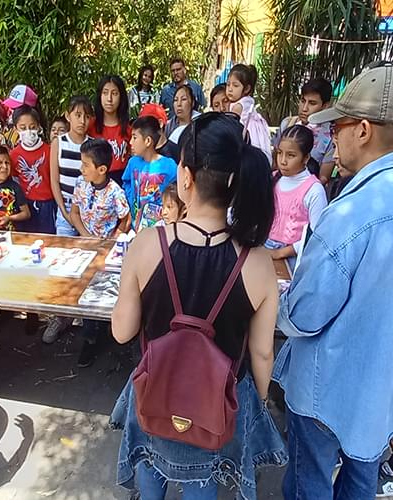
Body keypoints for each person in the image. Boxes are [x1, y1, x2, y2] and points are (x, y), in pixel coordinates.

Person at [111, 112, 285, 499]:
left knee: (151, 471)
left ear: (185, 177)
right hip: (217, 405)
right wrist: (255, 401)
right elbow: (261, 353)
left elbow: (122, 332)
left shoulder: (146, 245)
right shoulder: (257, 263)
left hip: (155, 391)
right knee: (202, 483)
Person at [273, 62, 393, 500]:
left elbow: (305, 314)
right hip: (381, 395)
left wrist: (279, 305)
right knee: (362, 481)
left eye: (336, 127)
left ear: (362, 130)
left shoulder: (350, 213)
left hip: (327, 390)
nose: (332, 139)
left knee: (310, 486)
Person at [70, 138, 130, 367]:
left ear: (102, 169)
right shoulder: (80, 184)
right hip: (85, 245)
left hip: (106, 251)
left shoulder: (115, 192)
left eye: (86, 164)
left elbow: (125, 218)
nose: (81, 168)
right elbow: (74, 212)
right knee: (84, 291)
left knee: (102, 292)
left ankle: (108, 331)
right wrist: (86, 235)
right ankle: (90, 337)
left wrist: (112, 240)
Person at [44, 96, 93, 344]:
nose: (81, 120)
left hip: (88, 215)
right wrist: (63, 210)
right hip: (64, 214)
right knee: (63, 264)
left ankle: (84, 315)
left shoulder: (93, 145)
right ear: (67, 116)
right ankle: (59, 316)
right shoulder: (59, 143)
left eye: (85, 116)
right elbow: (54, 180)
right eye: (77, 115)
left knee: (88, 265)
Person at [265, 125, 327, 270]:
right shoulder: (273, 179)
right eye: (280, 153)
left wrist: (280, 253)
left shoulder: (314, 190)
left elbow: (315, 235)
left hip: (295, 257)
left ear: (306, 158)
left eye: (291, 155)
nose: (283, 161)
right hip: (266, 248)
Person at [272, 78, 335, 181]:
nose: (304, 108)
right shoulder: (287, 124)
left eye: (312, 103)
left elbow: (323, 178)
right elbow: (274, 162)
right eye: (302, 101)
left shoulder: (331, 136)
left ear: (325, 106)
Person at [123, 116, 178, 230]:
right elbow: (126, 182)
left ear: (147, 141)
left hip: (161, 227)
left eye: (134, 137)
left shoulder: (169, 165)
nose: (130, 142)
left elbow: (178, 191)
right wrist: (131, 196)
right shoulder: (133, 163)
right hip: (136, 226)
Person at [9, 105, 56, 235]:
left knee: (48, 238)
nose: (28, 131)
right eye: (23, 128)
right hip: (25, 206)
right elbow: (15, 179)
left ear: (39, 127)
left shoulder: (49, 150)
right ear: (15, 129)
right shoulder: (14, 154)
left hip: (48, 204)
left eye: (32, 127)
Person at [88, 75, 131, 185]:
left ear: (121, 97)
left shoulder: (129, 129)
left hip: (122, 183)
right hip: (96, 182)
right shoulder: (90, 125)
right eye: (105, 93)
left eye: (114, 93)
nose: (109, 99)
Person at [227, 64, 273, 164]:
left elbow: (231, 125)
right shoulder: (247, 100)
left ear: (247, 89)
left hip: (248, 132)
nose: (230, 89)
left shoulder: (238, 106)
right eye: (228, 84)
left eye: (235, 85)